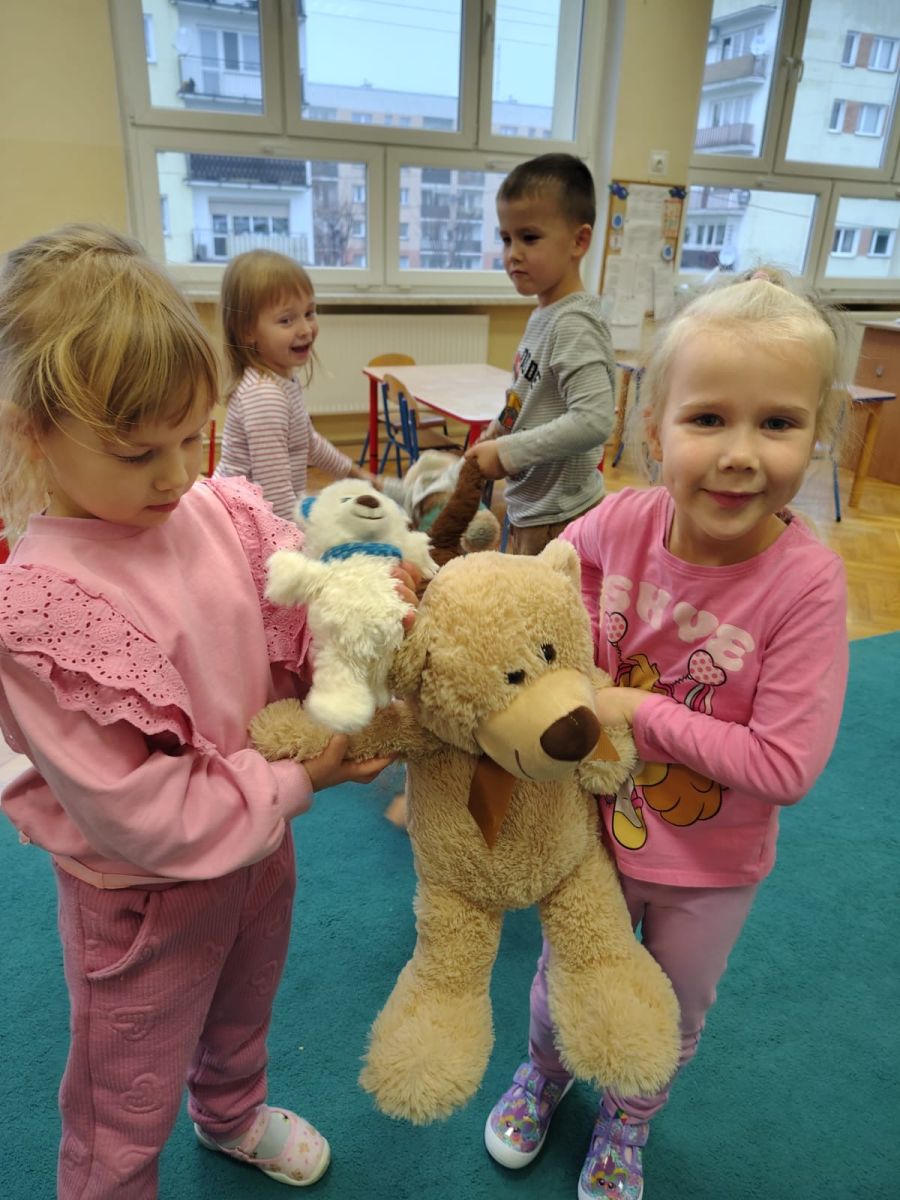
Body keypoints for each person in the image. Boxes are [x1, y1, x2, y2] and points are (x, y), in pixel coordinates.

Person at [0, 225, 408, 1199]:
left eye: (193, 436)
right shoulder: (43, 608)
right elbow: (138, 812)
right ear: (32, 434)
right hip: (141, 899)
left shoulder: (218, 513)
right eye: (138, 450)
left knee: (243, 1004)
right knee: (124, 1088)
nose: (176, 473)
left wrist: (362, 630)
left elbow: (287, 626)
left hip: (258, 851)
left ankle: (229, 1115)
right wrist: (301, 776)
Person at [483, 267, 851, 1199]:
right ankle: (544, 1073)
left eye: (778, 423)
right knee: (564, 977)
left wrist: (634, 710)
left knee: (670, 1012)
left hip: (709, 866)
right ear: (652, 430)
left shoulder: (806, 585)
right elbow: (552, 580)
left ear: (818, 435)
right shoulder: (623, 519)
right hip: (592, 839)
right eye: (708, 418)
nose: (740, 454)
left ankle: (628, 1120)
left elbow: (785, 763)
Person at [465, 153, 615, 555]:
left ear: (579, 241)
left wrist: (507, 454)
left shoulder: (574, 323)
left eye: (529, 238)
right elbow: (525, 396)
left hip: (560, 518)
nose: (512, 253)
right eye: (506, 238)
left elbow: (595, 419)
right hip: (532, 508)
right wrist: (498, 430)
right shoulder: (544, 314)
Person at [214, 248, 376, 521]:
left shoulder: (281, 380)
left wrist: (358, 475)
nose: (305, 329)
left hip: (262, 516)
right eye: (286, 320)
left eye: (309, 313)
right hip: (240, 522)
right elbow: (275, 497)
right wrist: (305, 538)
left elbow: (308, 442)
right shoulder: (265, 395)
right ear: (247, 330)